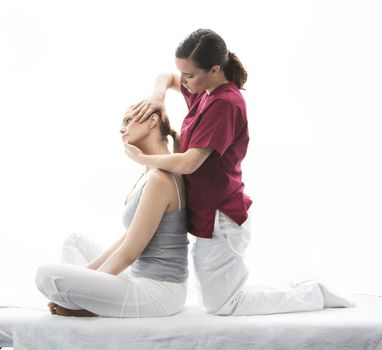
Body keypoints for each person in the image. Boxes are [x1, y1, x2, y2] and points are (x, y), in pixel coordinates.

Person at [124, 28, 355, 316]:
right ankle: (306, 290)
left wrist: (141, 157)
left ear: (215, 69)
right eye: (182, 74)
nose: (183, 81)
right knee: (222, 297)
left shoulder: (225, 103)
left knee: (224, 304)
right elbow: (166, 78)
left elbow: (189, 162)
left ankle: (313, 294)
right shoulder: (204, 90)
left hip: (222, 218)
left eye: (189, 75)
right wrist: (158, 96)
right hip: (209, 214)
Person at [35, 109, 189, 318]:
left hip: (158, 293)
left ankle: (83, 305)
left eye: (128, 120)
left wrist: (80, 299)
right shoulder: (151, 172)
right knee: (75, 241)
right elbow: (127, 240)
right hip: (147, 282)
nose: (121, 128)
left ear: (153, 121)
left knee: (45, 275)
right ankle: (80, 299)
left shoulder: (159, 179)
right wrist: (84, 281)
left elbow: (128, 254)